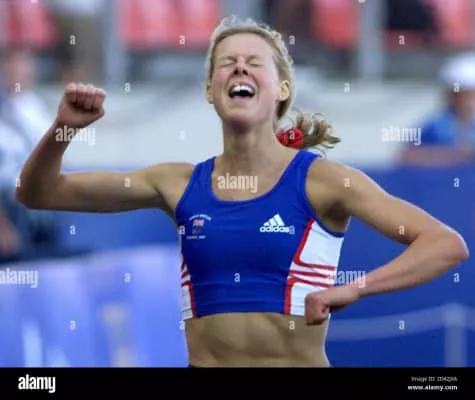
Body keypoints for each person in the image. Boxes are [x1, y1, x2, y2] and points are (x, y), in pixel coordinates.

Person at [16, 17, 469, 367]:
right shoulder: (175, 183)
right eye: (226, 62)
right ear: (210, 90)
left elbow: (445, 244)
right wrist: (63, 130)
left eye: (254, 61)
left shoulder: (325, 181)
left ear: (282, 89)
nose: (239, 67)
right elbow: (40, 193)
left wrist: (355, 289)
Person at [401, 52, 475, 166]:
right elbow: (407, 156)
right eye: (464, 95)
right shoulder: (435, 126)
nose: (469, 101)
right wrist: (454, 156)